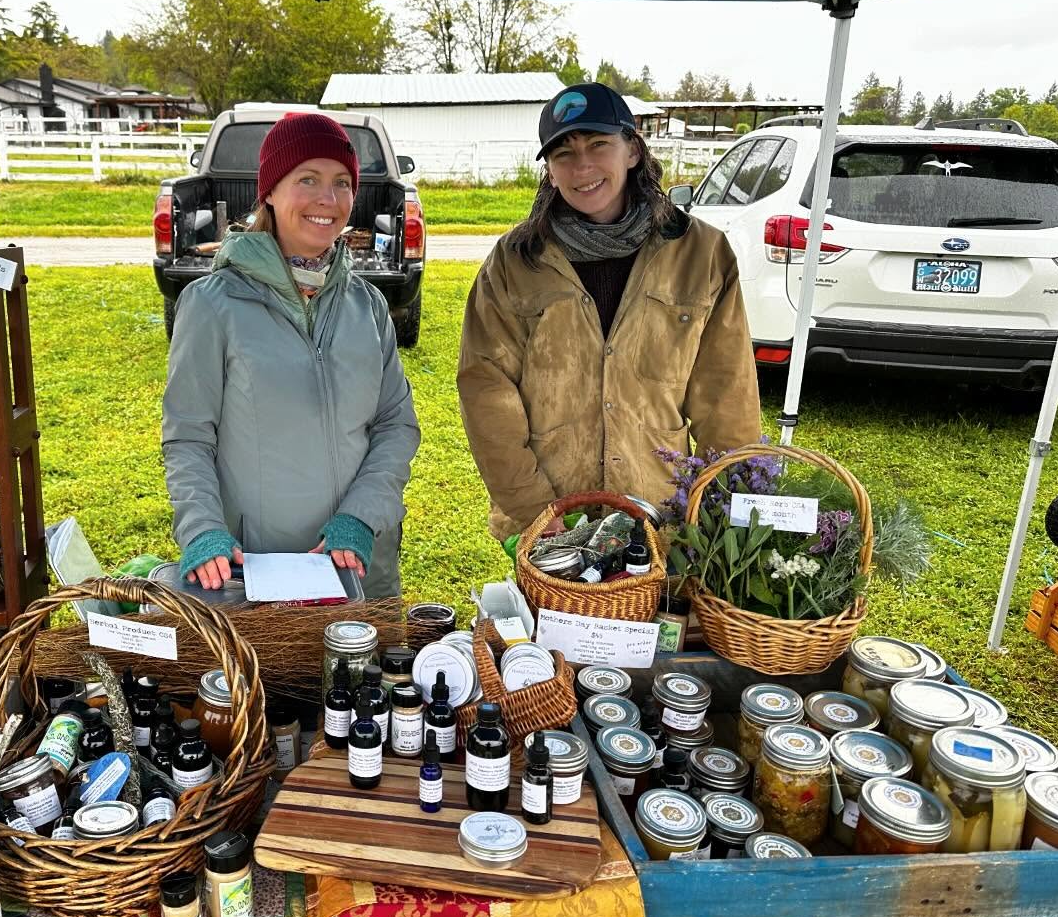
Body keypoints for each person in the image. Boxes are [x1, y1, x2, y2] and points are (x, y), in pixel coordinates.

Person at [457, 82, 760, 540]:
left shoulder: (702, 254)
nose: (583, 166)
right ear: (550, 172)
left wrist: (721, 518)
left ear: (633, 151)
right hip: (550, 525)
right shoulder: (515, 261)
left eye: (599, 144)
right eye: (563, 153)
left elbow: (727, 398)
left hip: (660, 522)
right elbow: (486, 393)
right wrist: (535, 509)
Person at [162, 113, 420, 597]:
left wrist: (361, 518)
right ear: (271, 193)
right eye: (308, 179)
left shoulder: (366, 306)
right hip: (256, 572)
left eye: (342, 183)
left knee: (367, 673)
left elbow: (395, 425)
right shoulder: (212, 304)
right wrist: (201, 529)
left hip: (360, 565)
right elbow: (188, 437)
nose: (328, 199)